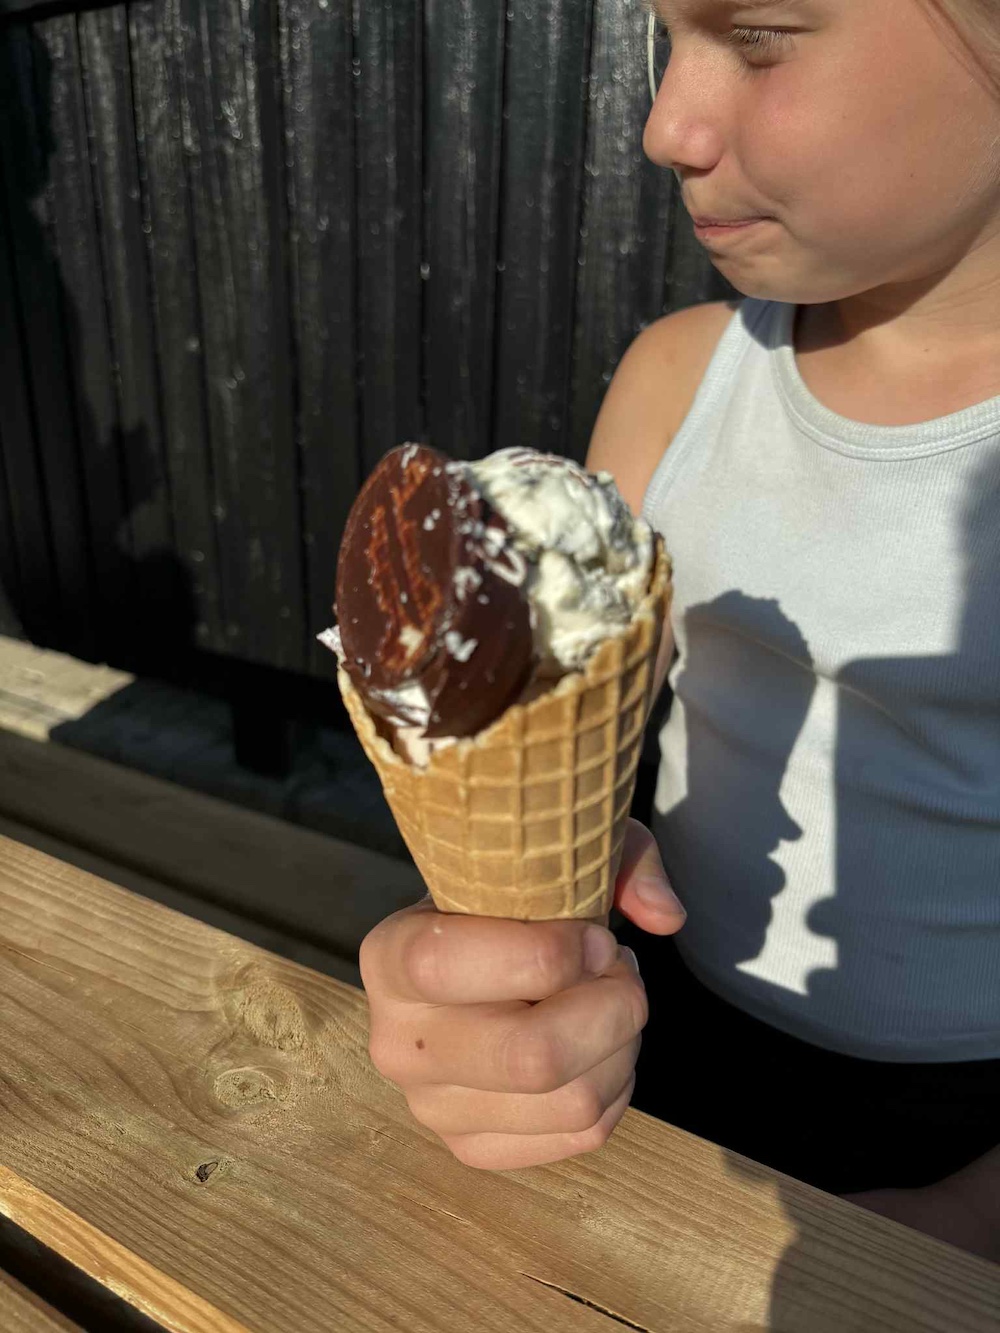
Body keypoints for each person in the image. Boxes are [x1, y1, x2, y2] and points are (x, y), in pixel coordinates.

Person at [359, 0, 1000, 1264]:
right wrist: (482, 976)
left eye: (756, 36)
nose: (664, 127)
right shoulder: (678, 377)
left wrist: (970, 1219)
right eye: (666, 41)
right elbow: (567, 759)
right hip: (661, 1023)